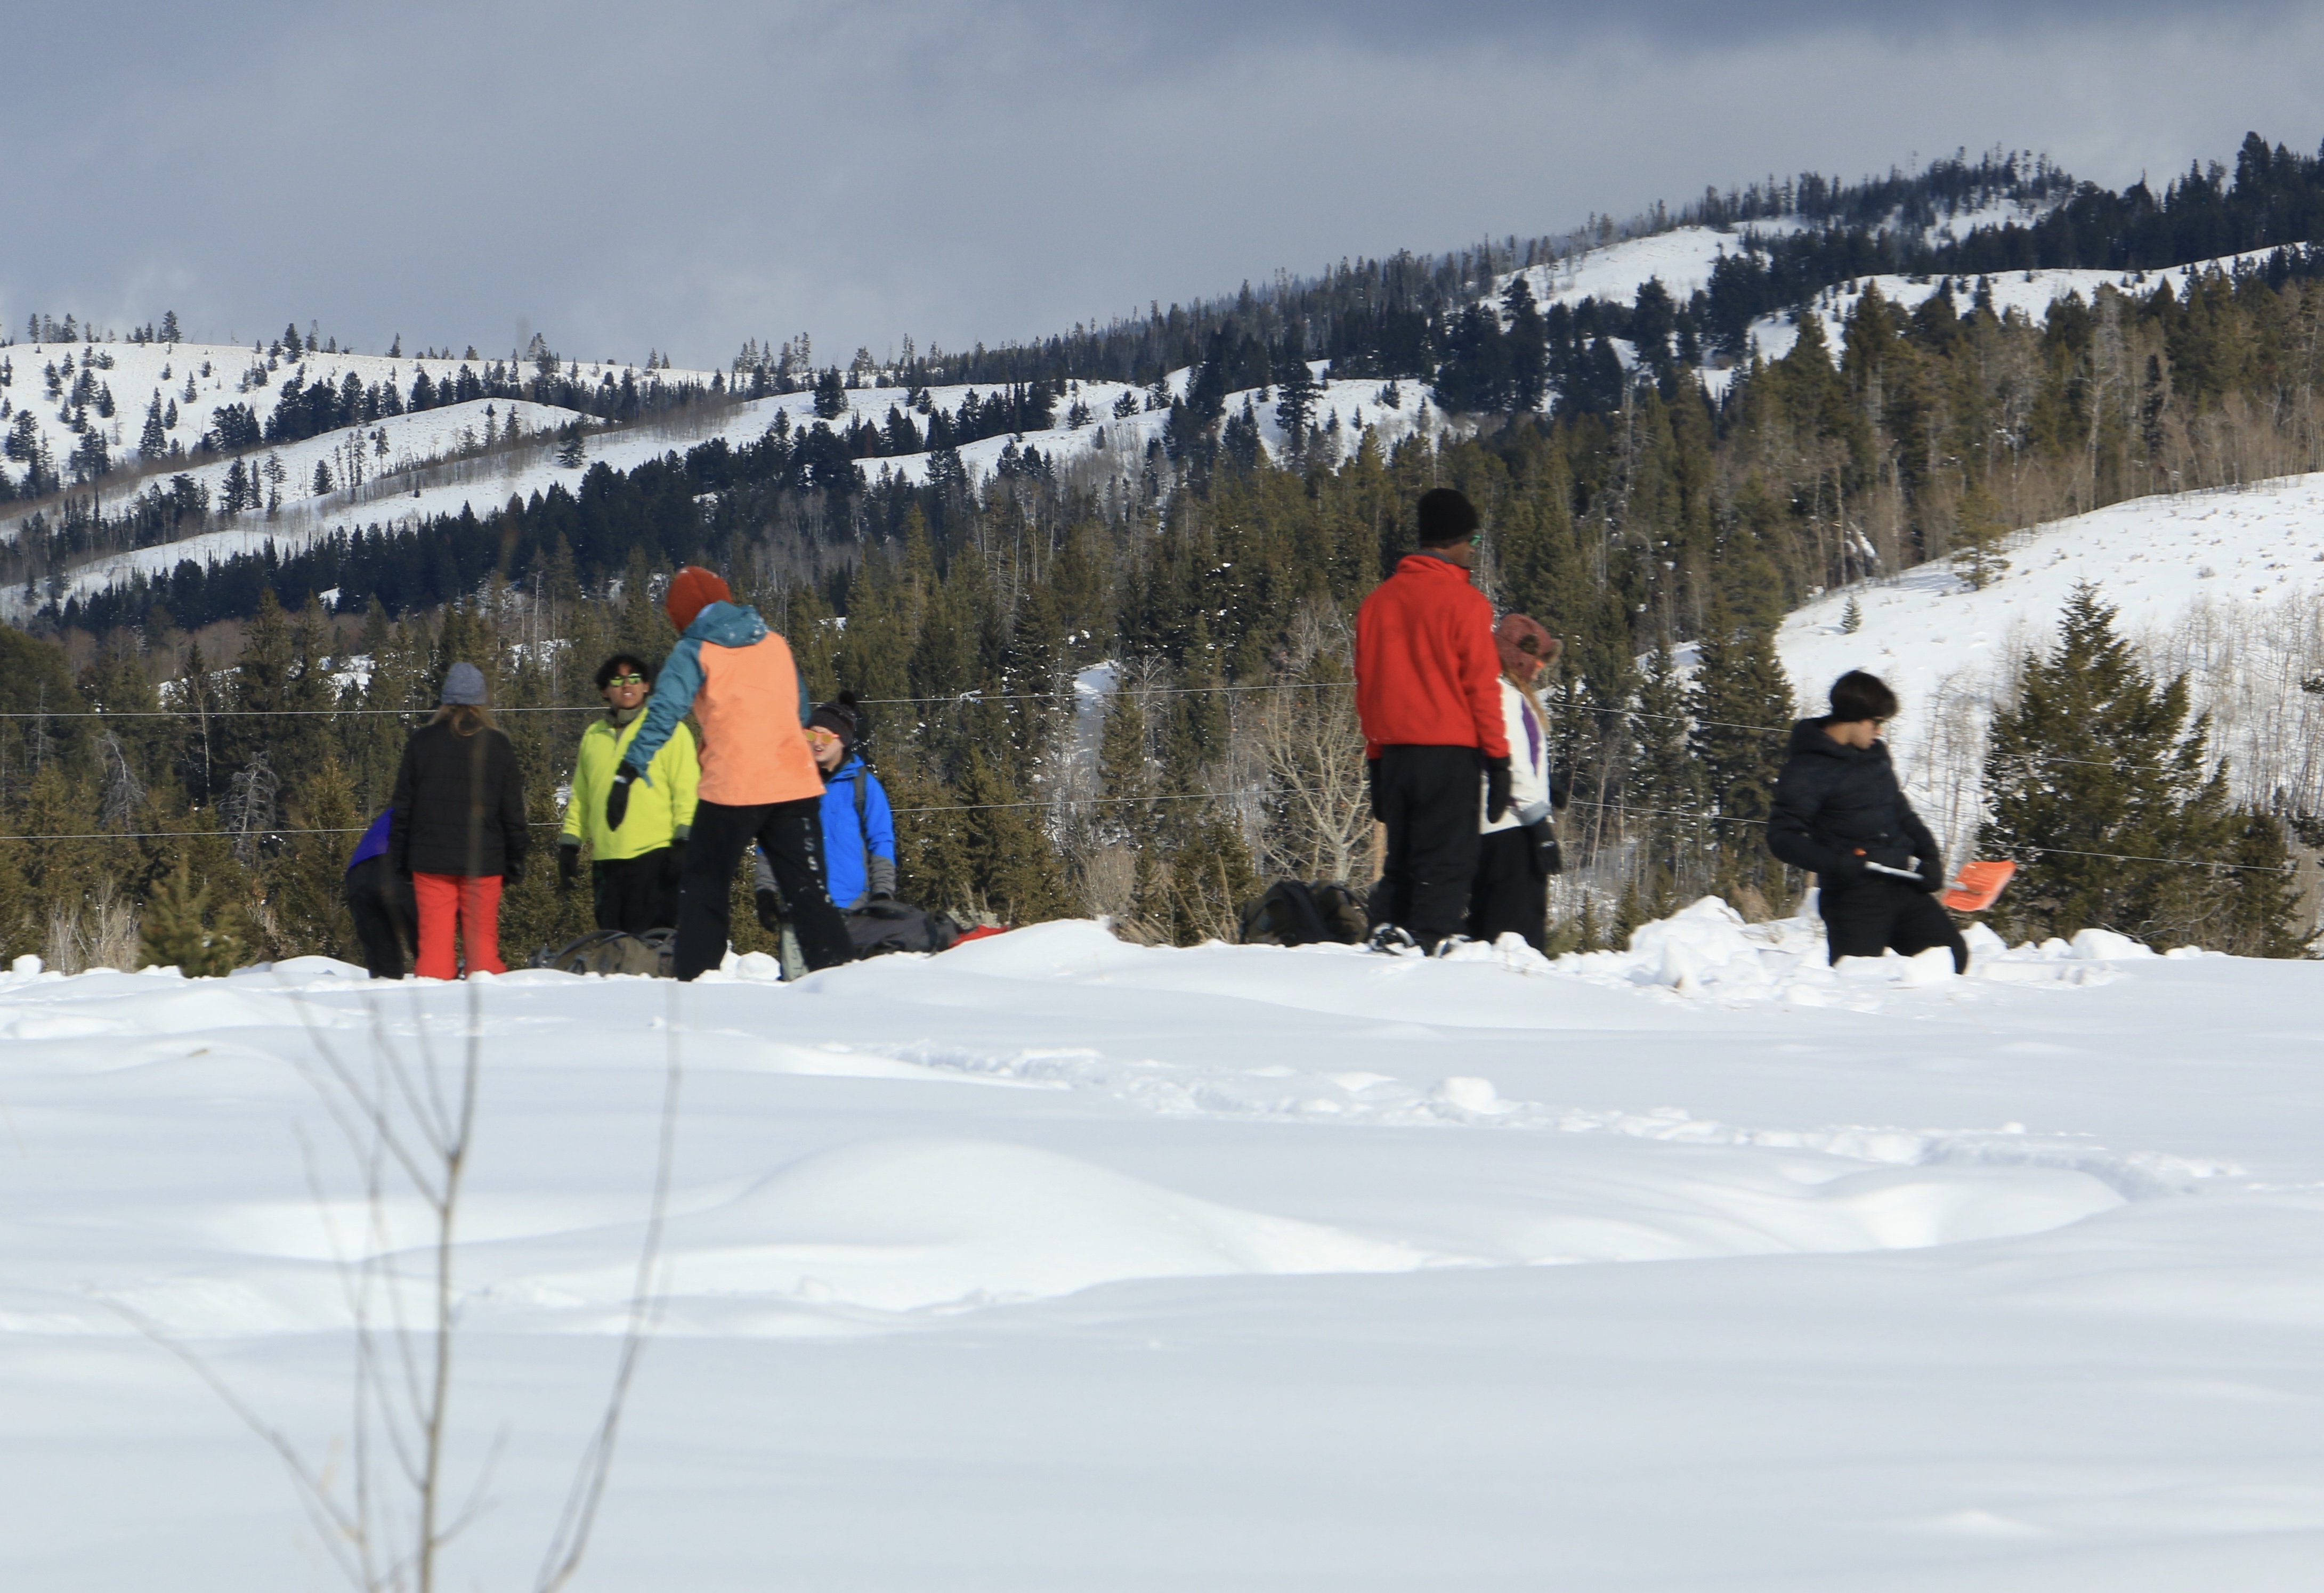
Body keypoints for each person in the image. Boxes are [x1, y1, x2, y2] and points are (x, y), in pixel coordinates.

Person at [609, 566, 854, 980]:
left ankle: (696, 982)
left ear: (683, 617)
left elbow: (664, 714)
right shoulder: (774, 642)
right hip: (793, 782)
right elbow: (799, 708)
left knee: (705, 888)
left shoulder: (693, 651)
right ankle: (839, 978)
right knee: (809, 891)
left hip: (733, 787)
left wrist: (629, 770)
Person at [1354, 487, 1510, 952]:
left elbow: (1367, 688)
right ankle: (1428, 951)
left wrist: (1377, 761)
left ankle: (1385, 939)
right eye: (1474, 542)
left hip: (1396, 756)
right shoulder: (1467, 606)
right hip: (1450, 755)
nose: (1474, 552)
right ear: (1457, 542)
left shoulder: (1376, 604)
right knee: (1446, 866)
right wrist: (1498, 762)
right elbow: (1481, 690)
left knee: (1400, 864)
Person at [1768, 669, 1968, 974]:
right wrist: (1838, 863)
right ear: (1853, 718)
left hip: (1901, 885)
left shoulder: (1875, 754)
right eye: (1875, 723)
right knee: (1859, 983)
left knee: (1951, 959)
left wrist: (1928, 853)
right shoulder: (1807, 768)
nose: (1879, 732)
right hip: (1853, 898)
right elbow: (1782, 838)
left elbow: (1897, 807)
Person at [388, 662, 528, 979]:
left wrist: (399, 859)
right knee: (482, 954)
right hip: (484, 860)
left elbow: (402, 809)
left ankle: (435, 1015)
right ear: (480, 702)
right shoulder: (498, 744)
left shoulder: (421, 743)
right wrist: (516, 857)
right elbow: (512, 812)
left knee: (434, 953)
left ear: (446, 701)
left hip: (430, 859)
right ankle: (486, 1014)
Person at [558, 652, 700, 933]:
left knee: (650, 946)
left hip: (655, 857)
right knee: (615, 946)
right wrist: (570, 844)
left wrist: (684, 841)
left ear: (647, 686)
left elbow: (688, 791)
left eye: (635, 678)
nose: (627, 686)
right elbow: (582, 798)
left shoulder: (669, 730)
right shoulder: (593, 736)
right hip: (607, 860)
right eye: (618, 680)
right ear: (604, 690)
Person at [754, 689, 896, 920]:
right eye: (812, 735)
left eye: (828, 737)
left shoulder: (863, 786)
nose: (818, 743)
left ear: (844, 741)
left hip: (853, 909)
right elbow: (772, 841)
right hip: (799, 906)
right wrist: (766, 890)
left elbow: (881, 840)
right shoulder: (791, 784)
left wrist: (883, 892)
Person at [1467, 614, 1560, 950]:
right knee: (1514, 939)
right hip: (1511, 829)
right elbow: (1511, 761)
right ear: (1517, 655)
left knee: (1501, 931)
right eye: (1537, 659)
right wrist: (1540, 825)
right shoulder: (1503, 694)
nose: (1539, 668)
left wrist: (1550, 785)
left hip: (1507, 826)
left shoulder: (1507, 691)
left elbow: (1525, 755)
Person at [343, 807, 417, 978]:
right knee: (430, 950)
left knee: (385, 970)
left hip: (357, 874)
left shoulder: (397, 808)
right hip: (395, 869)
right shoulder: (435, 807)